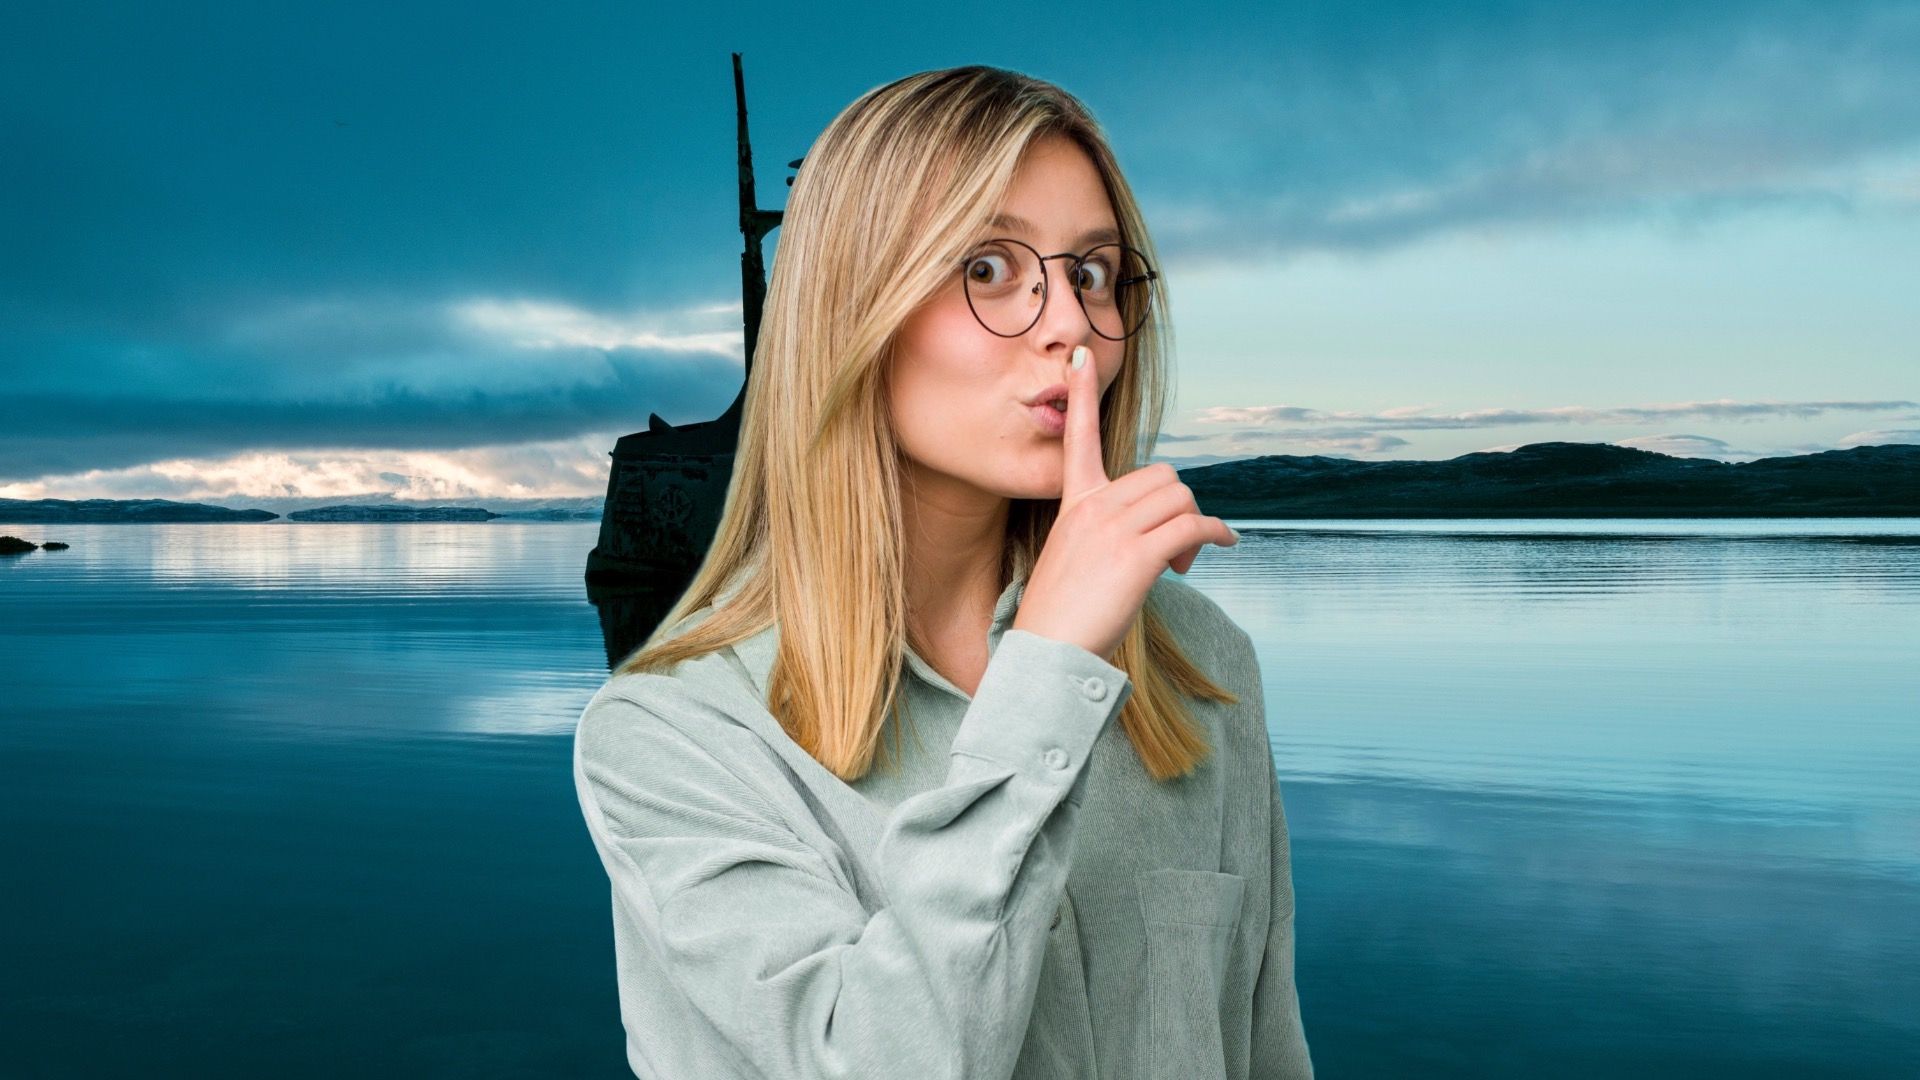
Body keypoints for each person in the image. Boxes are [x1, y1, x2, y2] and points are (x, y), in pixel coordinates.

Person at [573, 64, 1313, 1079]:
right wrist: (1048, 671)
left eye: (1092, 273)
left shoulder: (1203, 667)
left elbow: (1268, 1049)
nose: (1070, 327)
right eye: (988, 268)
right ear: (852, 310)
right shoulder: (672, 741)